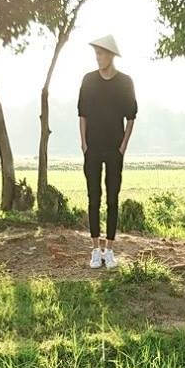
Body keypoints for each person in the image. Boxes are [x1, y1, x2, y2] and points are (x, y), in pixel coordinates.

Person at [76, 32, 137, 269]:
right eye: (96, 53)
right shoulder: (88, 80)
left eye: (101, 54)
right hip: (92, 148)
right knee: (94, 199)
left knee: (112, 199)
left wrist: (122, 146)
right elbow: (82, 113)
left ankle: (109, 250)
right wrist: (84, 143)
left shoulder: (125, 82)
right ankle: (94, 250)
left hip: (114, 150)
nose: (97, 57)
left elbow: (131, 117)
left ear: (111, 55)